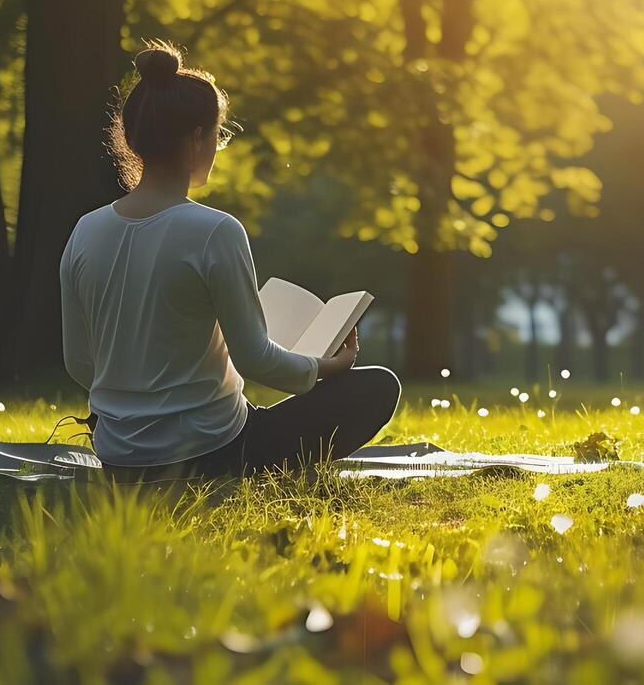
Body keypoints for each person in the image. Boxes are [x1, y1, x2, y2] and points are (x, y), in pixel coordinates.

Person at [60, 40, 399, 482]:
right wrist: (328, 367)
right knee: (378, 387)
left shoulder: (85, 231)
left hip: (118, 456)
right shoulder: (214, 231)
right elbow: (255, 360)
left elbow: (79, 363)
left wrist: (136, 409)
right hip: (213, 450)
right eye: (218, 135)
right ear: (198, 138)